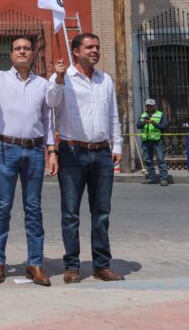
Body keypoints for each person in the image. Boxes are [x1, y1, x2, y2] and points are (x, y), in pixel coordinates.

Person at [0, 18, 56, 286]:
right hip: (6, 148)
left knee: (33, 208)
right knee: (2, 206)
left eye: (26, 48)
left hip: (35, 150)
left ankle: (35, 264)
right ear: (10, 54)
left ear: (33, 53)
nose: (22, 51)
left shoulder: (43, 84)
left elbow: (49, 120)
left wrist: (52, 150)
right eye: (17, 48)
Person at [47, 33, 125, 283]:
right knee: (70, 213)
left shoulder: (106, 80)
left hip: (102, 152)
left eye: (97, 47)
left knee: (101, 211)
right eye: (89, 47)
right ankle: (72, 266)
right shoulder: (62, 78)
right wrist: (58, 79)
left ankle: (102, 265)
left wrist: (118, 144)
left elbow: (113, 113)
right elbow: (50, 103)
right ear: (75, 51)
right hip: (72, 152)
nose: (95, 51)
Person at [137, 98, 169, 186]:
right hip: (146, 141)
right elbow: (138, 125)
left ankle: (164, 179)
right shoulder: (143, 115)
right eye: (147, 106)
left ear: (155, 106)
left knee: (160, 160)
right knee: (148, 161)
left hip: (157, 141)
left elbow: (165, 126)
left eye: (151, 106)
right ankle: (151, 178)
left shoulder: (160, 115)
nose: (149, 107)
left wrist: (154, 123)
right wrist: (144, 122)